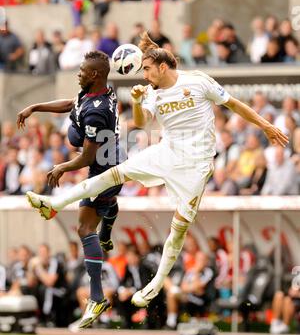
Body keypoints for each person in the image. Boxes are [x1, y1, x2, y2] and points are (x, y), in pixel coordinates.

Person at [26, 32, 288, 312]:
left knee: (180, 227)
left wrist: (266, 126)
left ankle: (156, 284)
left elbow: (234, 104)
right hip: (167, 151)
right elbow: (140, 123)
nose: (144, 75)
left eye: (147, 69)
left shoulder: (197, 81)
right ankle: (54, 203)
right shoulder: (149, 92)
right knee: (115, 172)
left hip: (196, 164)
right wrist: (138, 102)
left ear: (163, 67)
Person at [17, 50, 122, 329]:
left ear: (96, 75)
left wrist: (62, 166)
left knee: (85, 230)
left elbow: (87, 157)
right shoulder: (93, 93)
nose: (79, 73)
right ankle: (108, 227)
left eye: (83, 70)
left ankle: (97, 297)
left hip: (104, 173)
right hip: (102, 170)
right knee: (97, 219)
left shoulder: (98, 111)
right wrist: (36, 107)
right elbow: (71, 104)